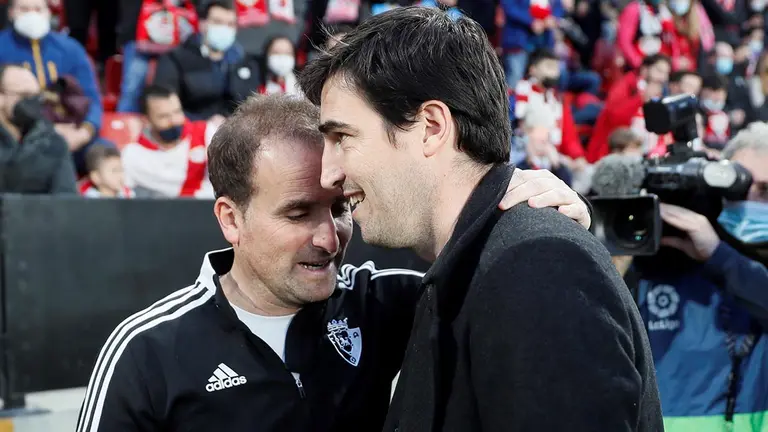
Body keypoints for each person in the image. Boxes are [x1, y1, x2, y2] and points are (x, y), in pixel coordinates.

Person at [76, 93, 592, 432]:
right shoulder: (145, 351)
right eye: (298, 213)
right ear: (231, 219)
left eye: (340, 207)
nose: (329, 238)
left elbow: (518, 286)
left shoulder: (386, 301)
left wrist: (545, 211)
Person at [299, 6, 662, 431]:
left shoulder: (534, 269)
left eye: (343, 137)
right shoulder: (487, 262)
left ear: (432, 127)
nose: (328, 174)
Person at [624, 123, 768, 432]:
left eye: (765, 191)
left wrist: (719, 256)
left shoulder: (726, 261)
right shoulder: (660, 263)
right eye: (738, 185)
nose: (750, 199)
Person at [0, 0, 109, 175]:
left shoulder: (70, 49)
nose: (32, 14)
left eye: (38, 9)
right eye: (24, 9)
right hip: (21, 136)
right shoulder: (2, 47)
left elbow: (92, 99)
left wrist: (83, 133)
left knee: (105, 152)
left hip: (72, 132)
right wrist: (45, 131)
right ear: (11, 12)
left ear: (48, 12)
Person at [153, 0, 261, 121]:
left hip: (234, 128)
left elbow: (252, 105)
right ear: (202, 24)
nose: (224, 28)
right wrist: (204, 125)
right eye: (218, 22)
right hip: (192, 127)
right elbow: (164, 106)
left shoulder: (244, 62)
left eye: (230, 24)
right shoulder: (176, 59)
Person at [120, 85, 218, 198]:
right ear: (146, 121)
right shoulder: (133, 155)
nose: (174, 121)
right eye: (164, 116)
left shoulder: (206, 133)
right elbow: (122, 194)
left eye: (177, 112)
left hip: (208, 206)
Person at [0, 64, 76, 194]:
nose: (32, 102)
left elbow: (66, 198)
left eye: (37, 96)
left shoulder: (53, 143)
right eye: (24, 95)